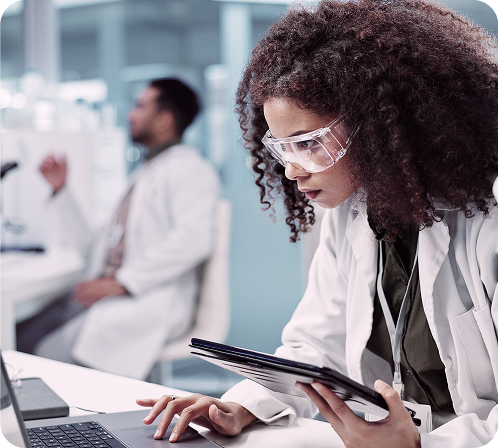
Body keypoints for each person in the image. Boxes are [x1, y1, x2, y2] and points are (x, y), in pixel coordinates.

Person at [136, 0, 499, 446]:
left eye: (308, 143)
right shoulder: (354, 211)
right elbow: (315, 346)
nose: (292, 171)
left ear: (379, 126)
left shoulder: (488, 221)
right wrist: (242, 406)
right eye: (282, 147)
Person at [16, 78, 220, 380]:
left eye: (140, 106)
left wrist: (121, 282)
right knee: (19, 336)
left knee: (42, 356)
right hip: (107, 295)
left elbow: (193, 240)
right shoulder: (144, 173)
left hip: (144, 301)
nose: (130, 115)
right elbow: (94, 246)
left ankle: (51, 426)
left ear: (165, 119)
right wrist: (61, 191)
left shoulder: (190, 169)